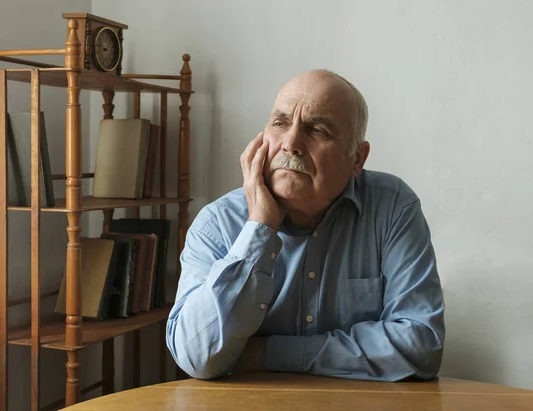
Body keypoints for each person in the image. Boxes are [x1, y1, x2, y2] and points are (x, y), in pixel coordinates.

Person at [166, 69, 445, 382]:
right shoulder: (217, 224)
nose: (291, 143)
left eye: (318, 130)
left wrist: (267, 353)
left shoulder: (393, 209)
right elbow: (196, 356)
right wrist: (259, 227)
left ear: (357, 159)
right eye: (280, 122)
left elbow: (420, 345)